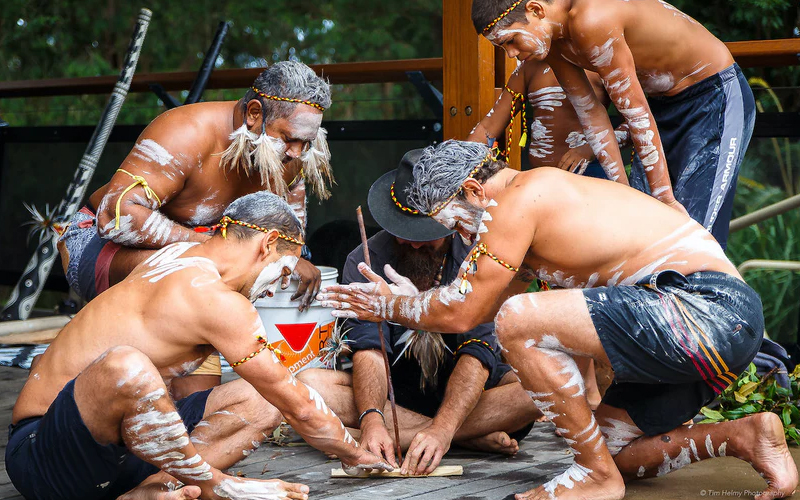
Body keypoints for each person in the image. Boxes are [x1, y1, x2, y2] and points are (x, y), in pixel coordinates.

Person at [318, 141, 798, 500]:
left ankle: (593, 475)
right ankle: (744, 436)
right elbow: (469, 310)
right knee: (616, 453)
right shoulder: (518, 226)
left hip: (705, 313)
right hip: (711, 335)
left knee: (520, 319)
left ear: (471, 189)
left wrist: (394, 306)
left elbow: (471, 312)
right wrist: (411, 305)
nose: (463, 236)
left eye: (454, 223)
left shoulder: (520, 197)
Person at [8, 192, 388, 500]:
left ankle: (152, 488)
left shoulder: (182, 257)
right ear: (268, 243)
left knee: (261, 398)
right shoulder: (214, 298)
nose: (276, 287)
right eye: (285, 271)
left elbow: (282, 395)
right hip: (43, 455)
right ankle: (211, 486)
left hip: (113, 452)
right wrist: (354, 455)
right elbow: (300, 406)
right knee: (126, 365)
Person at [57, 60, 333, 397]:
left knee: (197, 401)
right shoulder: (187, 132)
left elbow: (289, 228)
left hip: (200, 266)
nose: (298, 152)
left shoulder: (294, 153)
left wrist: (293, 255)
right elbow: (115, 215)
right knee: (209, 273)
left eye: (308, 142)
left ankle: (188, 396)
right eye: (290, 139)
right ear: (255, 114)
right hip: (98, 246)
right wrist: (209, 246)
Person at [298, 150, 541, 476]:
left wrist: (443, 429)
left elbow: (478, 353)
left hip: (475, 399)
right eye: (404, 232)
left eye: (425, 234)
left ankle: (436, 435)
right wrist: (371, 421)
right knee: (309, 383)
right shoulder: (364, 258)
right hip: (396, 402)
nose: (413, 244)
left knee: (537, 386)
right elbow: (369, 350)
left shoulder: (480, 252)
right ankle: (464, 437)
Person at [472, 0, 755, 249]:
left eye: (510, 41)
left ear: (535, 10)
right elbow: (592, 115)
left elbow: (635, 113)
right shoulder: (553, 42)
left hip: (713, 94)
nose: (510, 54)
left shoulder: (591, 18)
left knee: (696, 233)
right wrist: (624, 194)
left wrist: (665, 197)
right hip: (660, 105)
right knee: (647, 231)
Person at [468, 59, 630, 179]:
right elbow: (487, 127)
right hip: (540, 178)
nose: (512, 53)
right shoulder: (529, 67)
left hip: (590, 176)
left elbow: (633, 125)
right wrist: (460, 163)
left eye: (512, 41)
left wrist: (592, 148)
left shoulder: (598, 63)